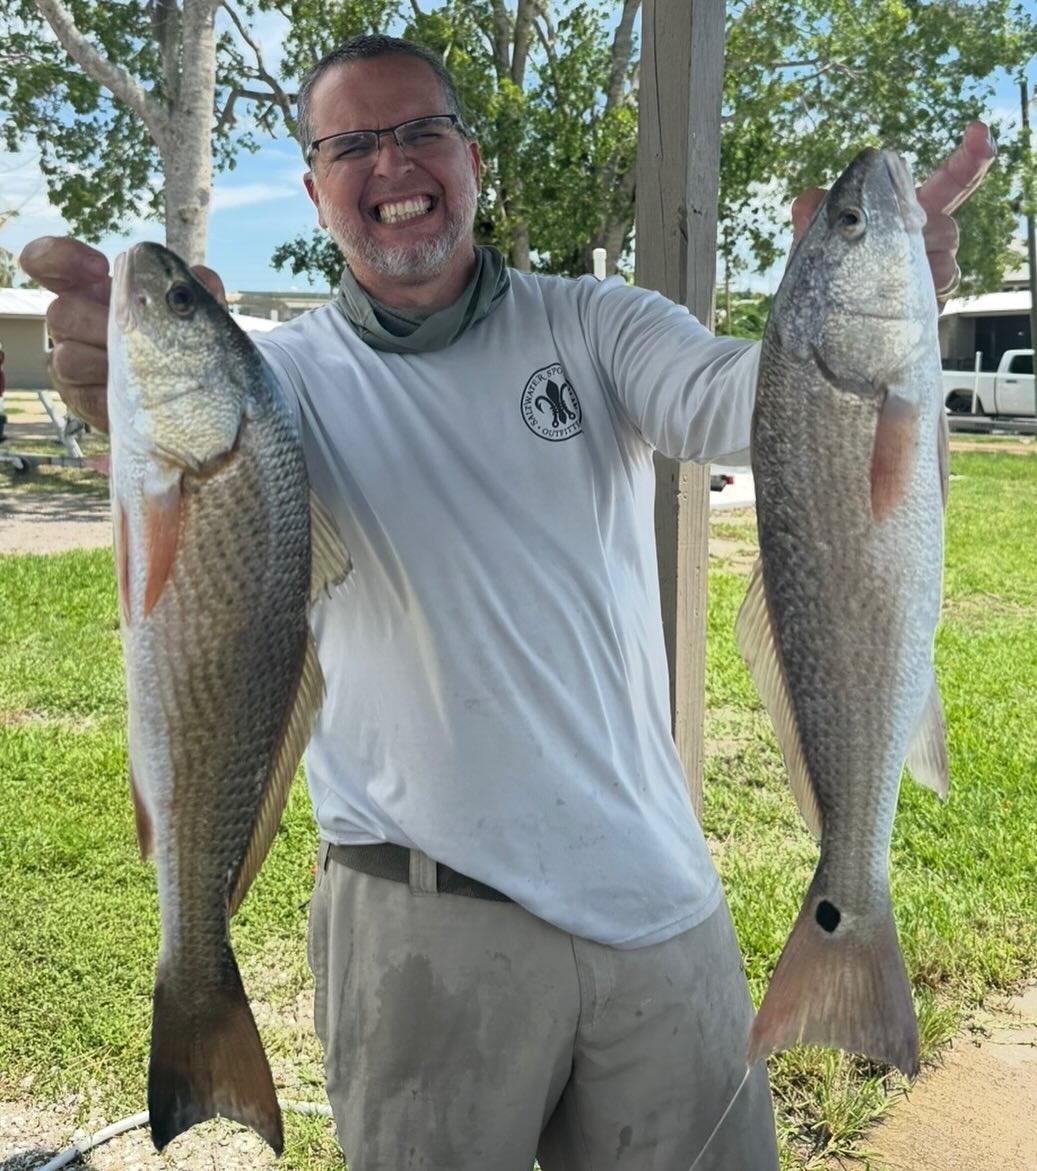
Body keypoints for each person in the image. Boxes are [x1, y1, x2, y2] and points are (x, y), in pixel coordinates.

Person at [20, 35, 995, 1171]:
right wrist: (109, 384)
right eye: (351, 144)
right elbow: (186, 476)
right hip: (418, 920)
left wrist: (861, 309)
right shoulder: (277, 387)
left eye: (422, 131)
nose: (393, 164)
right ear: (311, 187)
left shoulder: (596, 324)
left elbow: (754, 405)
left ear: (472, 157)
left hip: (655, 893)